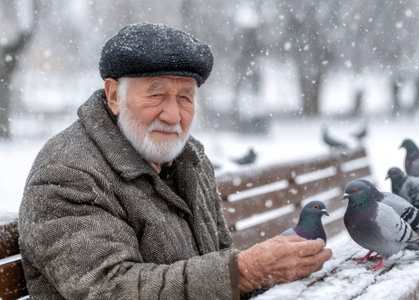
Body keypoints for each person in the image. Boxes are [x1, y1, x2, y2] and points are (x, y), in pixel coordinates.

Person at [18, 22, 332, 299]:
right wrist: (242, 272)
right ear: (114, 96)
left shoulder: (189, 158)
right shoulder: (67, 173)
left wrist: (258, 272)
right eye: (156, 95)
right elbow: (110, 289)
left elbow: (218, 253)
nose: (173, 116)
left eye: (185, 98)